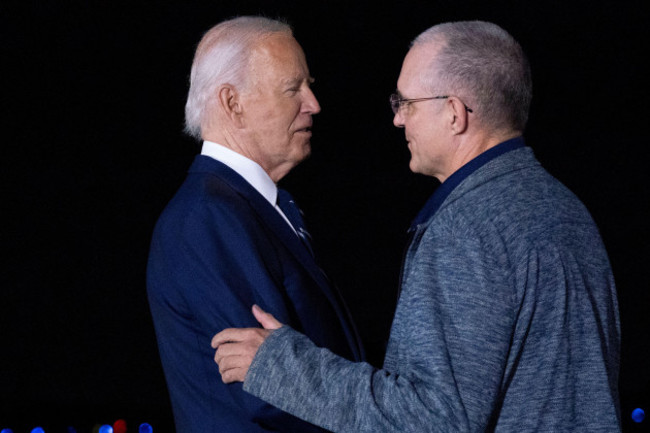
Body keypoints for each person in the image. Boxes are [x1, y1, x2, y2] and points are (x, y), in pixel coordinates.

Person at [212, 20, 621, 432]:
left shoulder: (467, 228)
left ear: (455, 114)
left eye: (406, 103)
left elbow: (429, 419)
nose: (398, 120)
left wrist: (284, 369)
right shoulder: (567, 210)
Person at [146, 16, 364, 433]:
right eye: (293, 88)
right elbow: (269, 391)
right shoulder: (208, 216)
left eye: (309, 84)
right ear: (232, 103)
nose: (313, 103)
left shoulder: (247, 207)